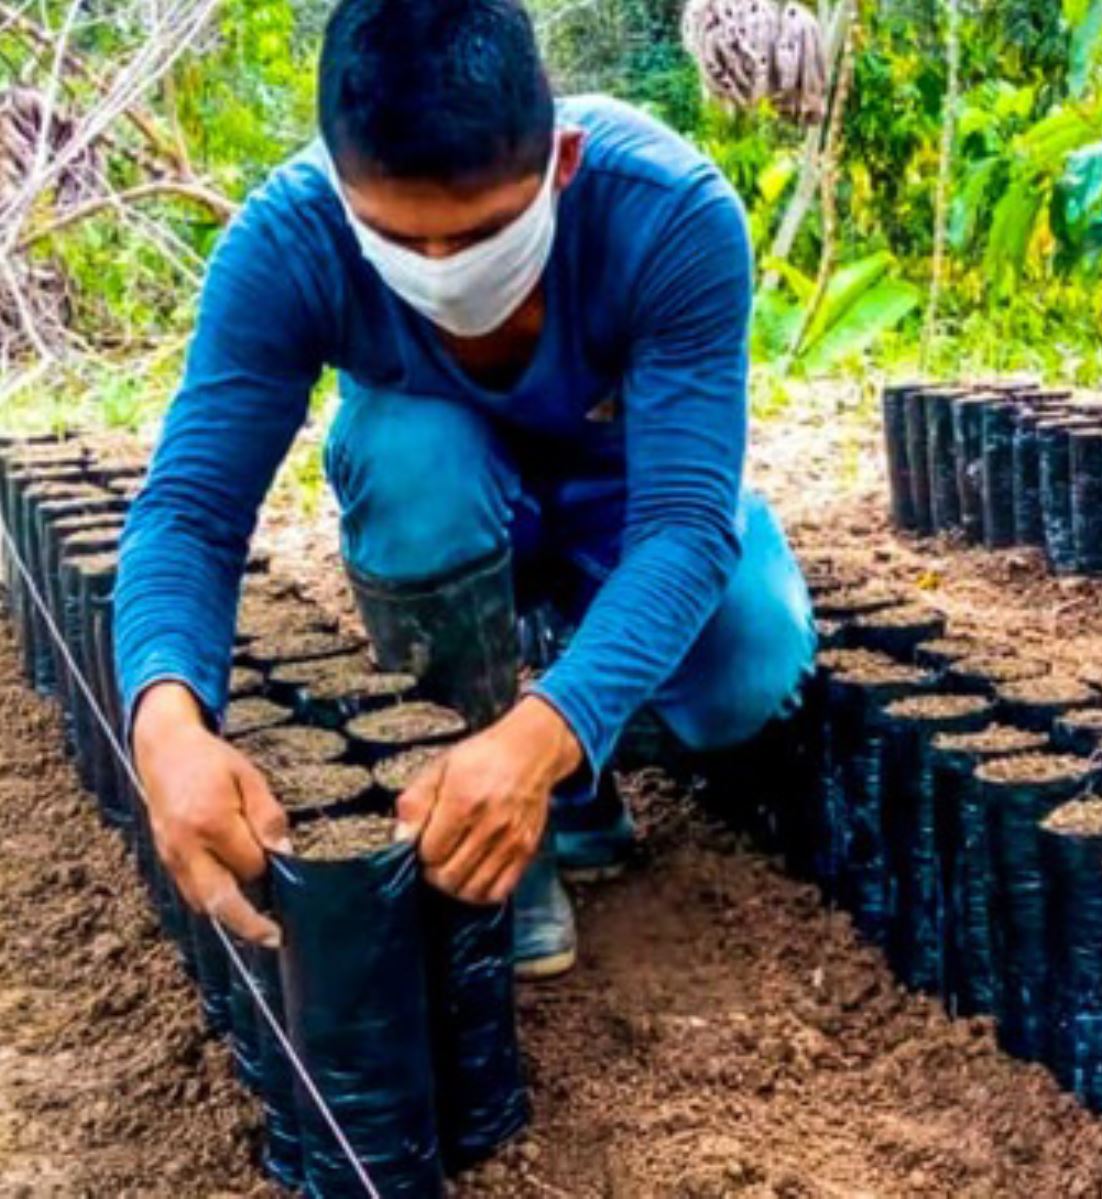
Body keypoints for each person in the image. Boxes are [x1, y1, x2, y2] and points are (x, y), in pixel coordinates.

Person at [115, 0, 815, 980]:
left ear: (561, 165)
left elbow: (684, 525)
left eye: (484, 234)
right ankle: (480, 817)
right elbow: (190, 510)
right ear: (341, 190)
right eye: (401, 242)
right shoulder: (290, 241)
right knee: (411, 450)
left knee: (754, 663)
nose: (443, 272)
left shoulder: (667, 215)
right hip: (445, 509)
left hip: (619, 509)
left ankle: (560, 761)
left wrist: (550, 728)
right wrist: (166, 720)